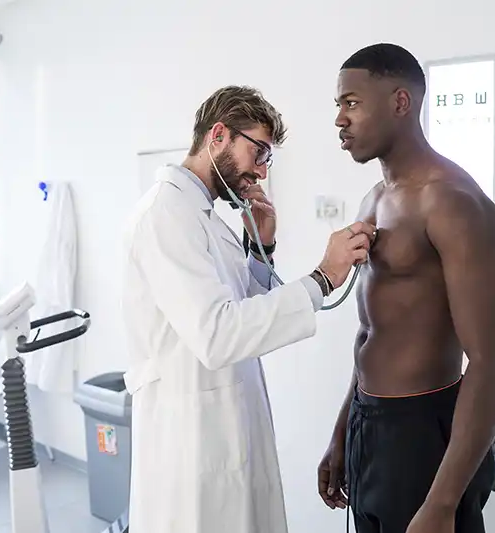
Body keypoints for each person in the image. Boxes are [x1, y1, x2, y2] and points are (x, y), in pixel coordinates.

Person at [121, 85, 376, 533]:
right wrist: (322, 278)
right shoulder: (166, 215)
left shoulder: (203, 216)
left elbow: (241, 312)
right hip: (189, 440)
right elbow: (218, 335)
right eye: (258, 153)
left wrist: (261, 250)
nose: (259, 172)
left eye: (267, 159)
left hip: (224, 426)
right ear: (218, 135)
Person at [317, 44, 495, 533]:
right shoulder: (374, 199)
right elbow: (374, 332)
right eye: (338, 106)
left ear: (400, 102)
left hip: (424, 437)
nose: (340, 119)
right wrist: (345, 428)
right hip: (370, 424)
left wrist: (443, 503)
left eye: (352, 103)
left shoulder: (454, 203)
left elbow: (493, 363)